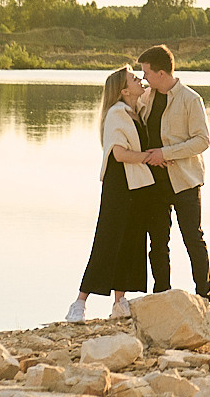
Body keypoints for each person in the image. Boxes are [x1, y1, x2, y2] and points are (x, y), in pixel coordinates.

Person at [66, 66, 155, 322]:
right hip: (119, 185)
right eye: (134, 78)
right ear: (124, 90)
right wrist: (150, 158)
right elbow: (119, 154)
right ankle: (79, 303)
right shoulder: (117, 113)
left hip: (136, 185)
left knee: (131, 241)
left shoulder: (136, 110)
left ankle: (120, 301)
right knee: (107, 240)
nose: (140, 79)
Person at [133, 44, 210, 300]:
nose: (143, 78)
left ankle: (204, 297)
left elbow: (202, 141)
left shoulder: (191, 99)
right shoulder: (146, 98)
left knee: (193, 239)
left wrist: (165, 153)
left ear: (161, 74)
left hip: (185, 182)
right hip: (154, 183)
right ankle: (162, 296)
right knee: (157, 243)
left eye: (146, 73)